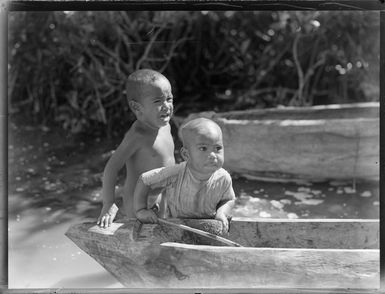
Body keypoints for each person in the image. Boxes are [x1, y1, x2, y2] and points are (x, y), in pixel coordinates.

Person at [97, 69, 175, 228]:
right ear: (137, 107)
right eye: (158, 101)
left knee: (162, 233)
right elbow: (111, 168)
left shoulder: (165, 126)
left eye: (169, 98)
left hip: (161, 195)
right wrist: (108, 203)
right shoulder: (137, 135)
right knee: (141, 236)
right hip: (138, 202)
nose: (166, 106)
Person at [133, 117, 235, 232]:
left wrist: (221, 212)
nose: (213, 155)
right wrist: (140, 210)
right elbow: (144, 180)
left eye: (218, 148)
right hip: (176, 227)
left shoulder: (223, 178)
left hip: (207, 228)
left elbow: (229, 199)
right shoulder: (176, 174)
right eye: (203, 148)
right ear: (186, 154)